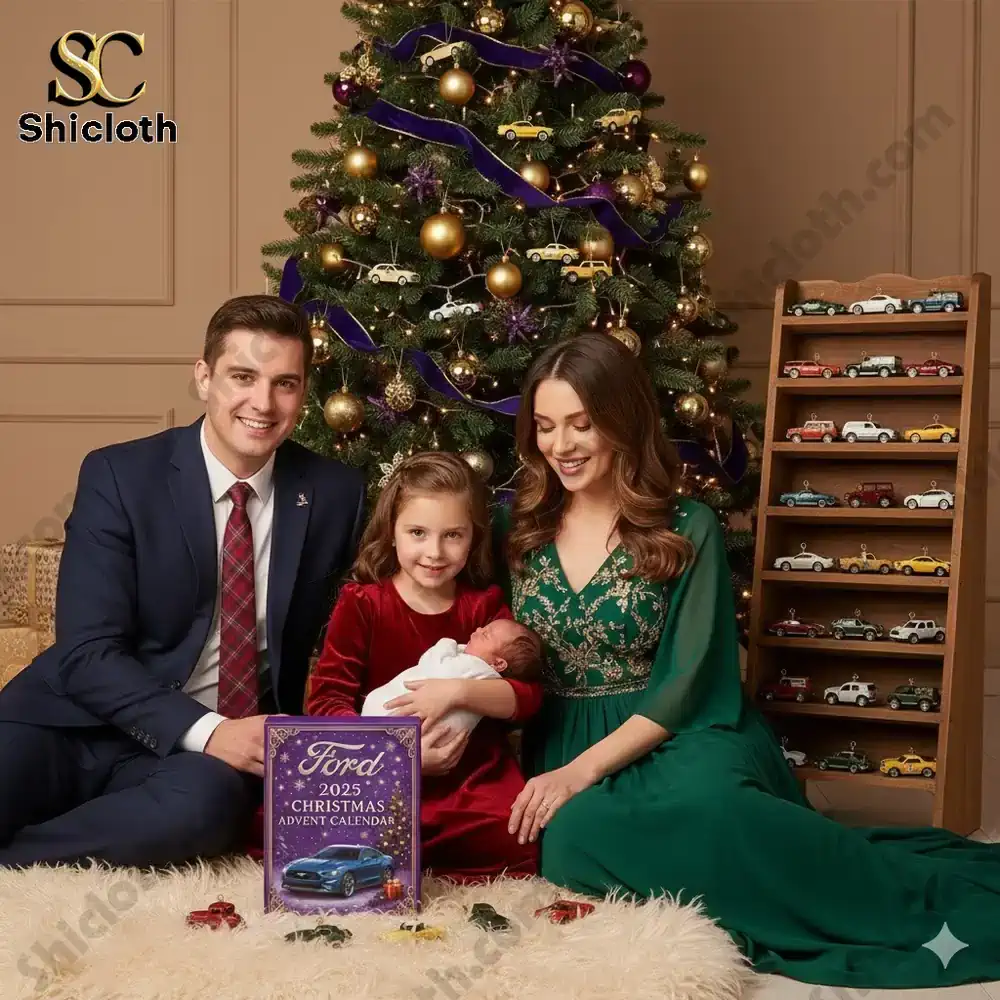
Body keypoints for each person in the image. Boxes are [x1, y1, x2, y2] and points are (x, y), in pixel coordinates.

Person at [495, 331, 1000, 989]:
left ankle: (879, 898)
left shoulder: (686, 525)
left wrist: (578, 774)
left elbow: (688, 679)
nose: (561, 444)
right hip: (565, 735)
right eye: (545, 426)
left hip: (678, 730)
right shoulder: (516, 528)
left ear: (622, 420)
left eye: (581, 424)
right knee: (570, 839)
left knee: (714, 807)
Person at [0, 295, 365, 869]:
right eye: (242, 376)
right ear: (204, 377)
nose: (262, 403)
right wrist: (211, 731)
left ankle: (19, 859)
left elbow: (377, 619)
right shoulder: (120, 475)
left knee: (208, 809)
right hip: (72, 724)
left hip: (191, 769)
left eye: (285, 384)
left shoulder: (335, 493)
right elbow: (86, 652)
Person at [306, 451, 541, 883]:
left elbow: (527, 697)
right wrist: (398, 754)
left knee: (513, 836)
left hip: (468, 774)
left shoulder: (483, 608)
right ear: (392, 532)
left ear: (473, 537)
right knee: (316, 828)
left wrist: (457, 692)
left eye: (453, 535)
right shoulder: (363, 604)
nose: (434, 552)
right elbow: (326, 700)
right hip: (381, 769)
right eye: (418, 533)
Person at [361, 619, 542, 732]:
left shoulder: (475, 668)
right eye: (483, 627)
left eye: (485, 635)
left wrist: (447, 642)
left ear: (498, 664)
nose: (478, 629)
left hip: (394, 718)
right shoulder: (483, 675)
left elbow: (435, 668)